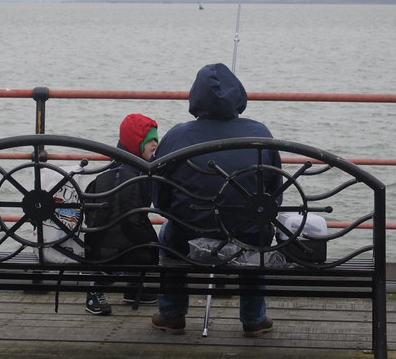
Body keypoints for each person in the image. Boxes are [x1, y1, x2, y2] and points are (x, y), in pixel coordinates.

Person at [151, 63, 281, 337]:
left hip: (187, 234)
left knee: (167, 232)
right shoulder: (260, 133)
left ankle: (172, 314)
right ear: (238, 96)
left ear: (195, 97)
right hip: (247, 233)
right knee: (259, 227)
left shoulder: (176, 135)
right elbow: (274, 194)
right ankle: (253, 318)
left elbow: (158, 198)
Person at [83, 113, 160, 315]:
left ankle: (134, 288)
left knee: (137, 240)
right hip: (114, 241)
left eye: (156, 140)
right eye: (150, 140)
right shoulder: (127, 175)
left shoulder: (128, 168)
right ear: (136, 144)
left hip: (120, 236)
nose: (155, 145)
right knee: (139, 243)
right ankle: (96, 290)